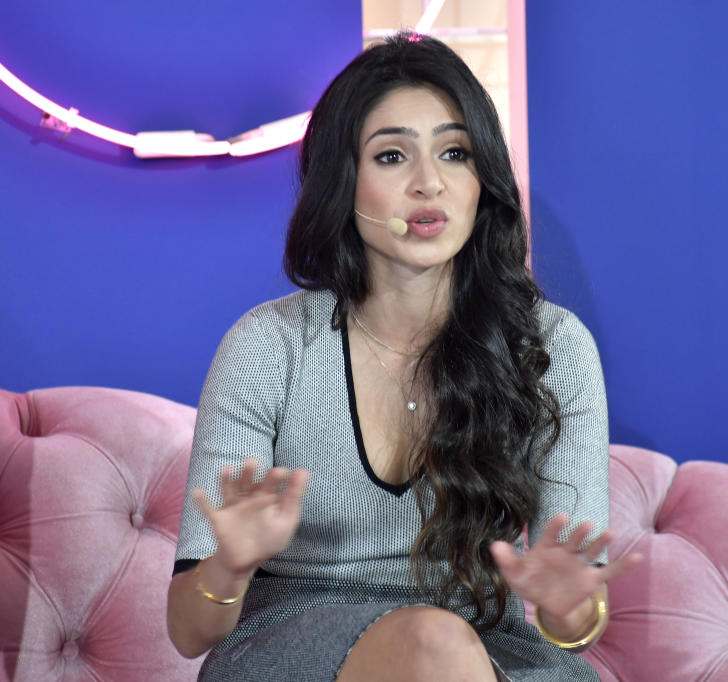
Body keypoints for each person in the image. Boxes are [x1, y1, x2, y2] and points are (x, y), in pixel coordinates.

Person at [166, 31, 640, 681]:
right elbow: (190, 633)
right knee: (432, 644)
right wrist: (230, 565)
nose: (429, 184)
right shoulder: (267, 347)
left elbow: (575, 633)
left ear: (483, 181)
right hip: (293, 639)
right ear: (343, 182)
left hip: (492, 643)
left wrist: (570, 607)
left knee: (448, 645)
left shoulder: (553, 348)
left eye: (454, 153)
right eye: (392, 157)